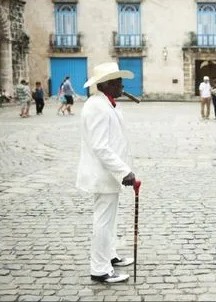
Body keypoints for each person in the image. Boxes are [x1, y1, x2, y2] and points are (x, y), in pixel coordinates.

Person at [76, 62, 137, 283]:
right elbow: (100, 146)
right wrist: (124, 171)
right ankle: (99, 269)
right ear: (108, 84)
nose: (122, 85)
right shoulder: (96, 107)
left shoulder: (108, 104)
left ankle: (109, 256)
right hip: (103, 175)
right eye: (118, 81)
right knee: (102, 221)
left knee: (109, 220)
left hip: (110, 175)